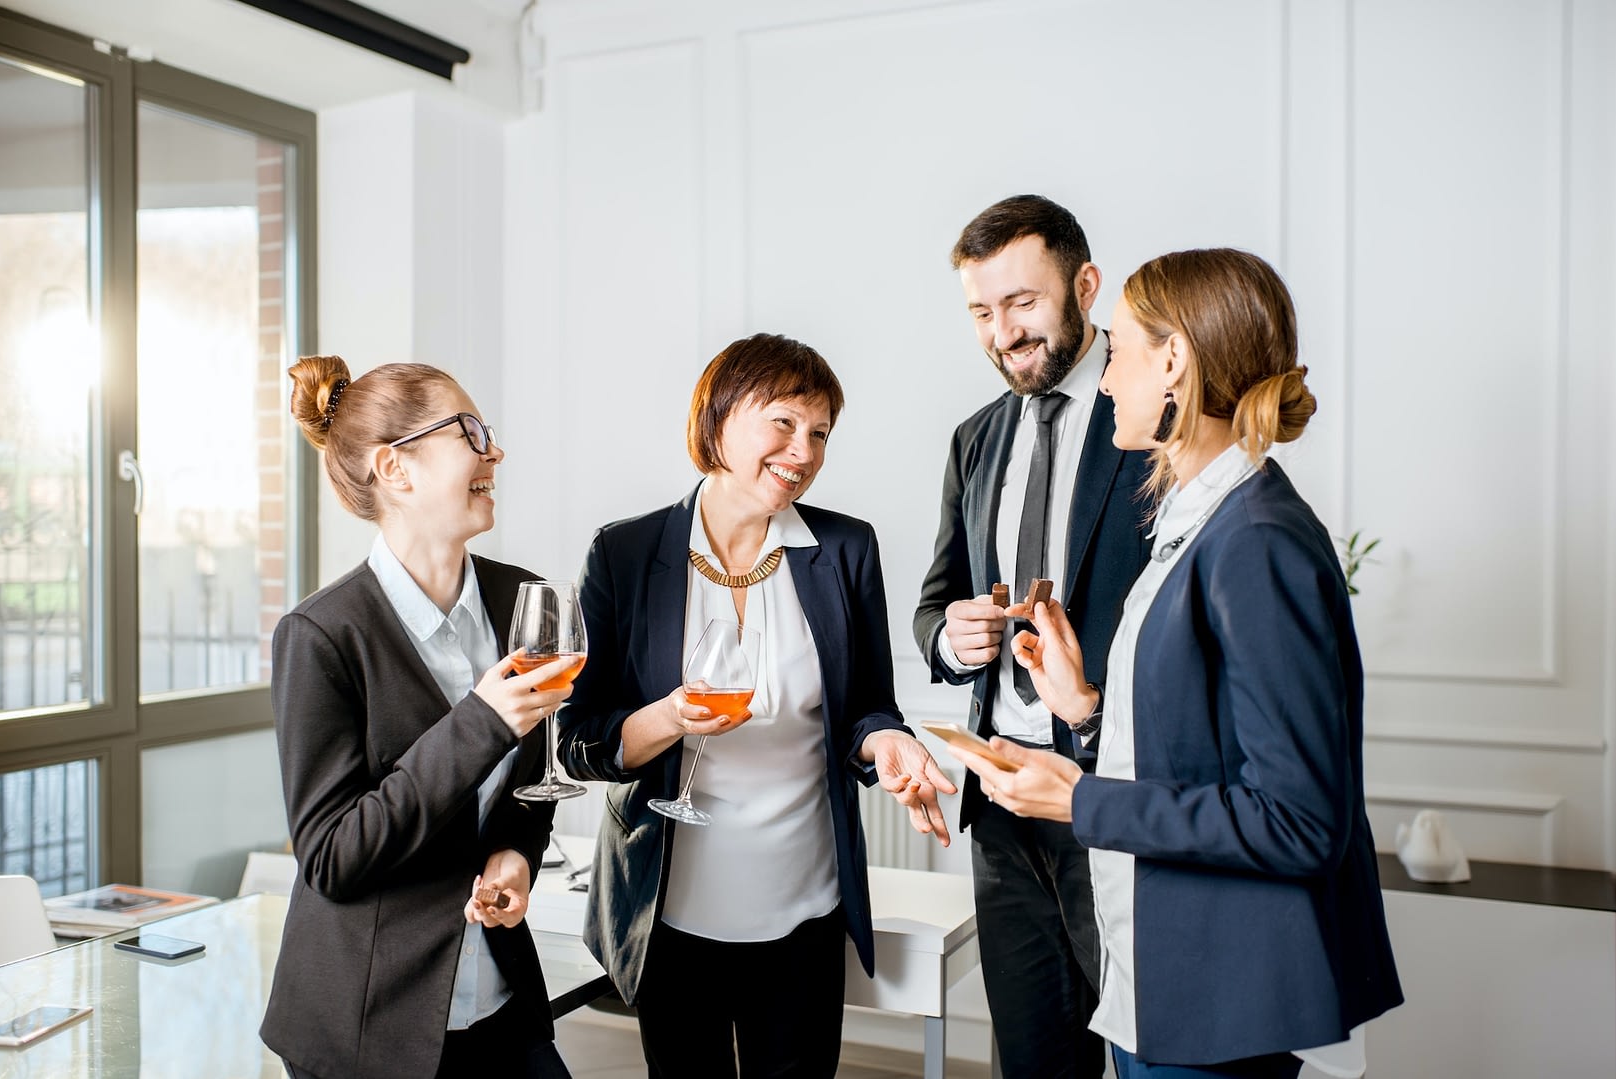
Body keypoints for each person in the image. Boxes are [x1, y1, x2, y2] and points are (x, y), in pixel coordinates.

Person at [947, 248, 1403, 1078]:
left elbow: (1298, 822)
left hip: (1218, 999)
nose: (1106, 376)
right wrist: (1082, 707)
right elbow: (1193, 747)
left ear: (1173, 362)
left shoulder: (1256, 539)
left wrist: (1081, 800)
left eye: (1116, 350)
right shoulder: (1199, 518)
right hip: (1162, 978)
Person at [557, 332, 956, 1078]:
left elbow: (867, 709)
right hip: (669, 911)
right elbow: (578, 740)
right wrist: (670, 717)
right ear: (717, 418)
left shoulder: (845, 548)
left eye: (819, 433)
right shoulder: (623, 553)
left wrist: (889, 742)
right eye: (782, 422)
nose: (801, 451)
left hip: (803, 906)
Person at [262, 356, 578, 1079]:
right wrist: (481, 721)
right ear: (395, 469)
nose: (493, 450)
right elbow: (333, 857)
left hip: (501, 1002)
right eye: (469, 431)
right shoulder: (319, 636)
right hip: (368, 1025)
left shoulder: (521, 600)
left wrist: (517, 856)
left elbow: (528, 790)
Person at [913, 194, 1152, 1077]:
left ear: (1084, 286)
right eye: (981, 310)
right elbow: (934, 599)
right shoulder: (973, 439)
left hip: (1114, 795)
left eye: (1021, 302)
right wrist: (950, 637)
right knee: (1033, 1061)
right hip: (1003, 802)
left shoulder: (1151, 423)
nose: (1001, 331)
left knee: (1139, 1053)